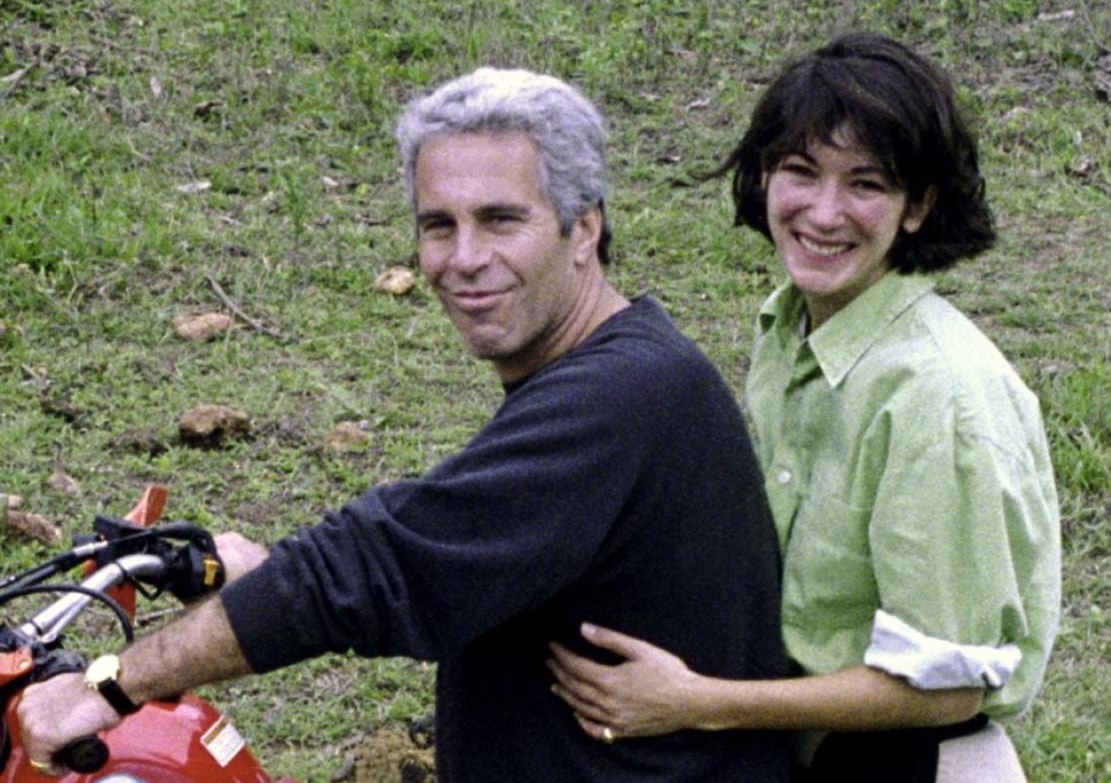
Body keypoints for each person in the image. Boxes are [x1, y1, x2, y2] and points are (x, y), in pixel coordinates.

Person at [18, 68, 791, 782]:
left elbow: (380, 563)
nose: (464, 257)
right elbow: (446, 557)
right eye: (438, 224)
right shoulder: (614, 368)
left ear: (583, 228)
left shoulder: (623, 394)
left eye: (500, 219)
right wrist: (267, 576)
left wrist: (108, 686)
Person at [548, 33, 1062, 783]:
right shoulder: (788, 328)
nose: (824, 212)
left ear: (919, 206)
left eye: (866, 184)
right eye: (801, 171)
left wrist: (698, 702)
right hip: (815, 752)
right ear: (764, 176)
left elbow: (948, 686)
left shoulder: (939, 396)